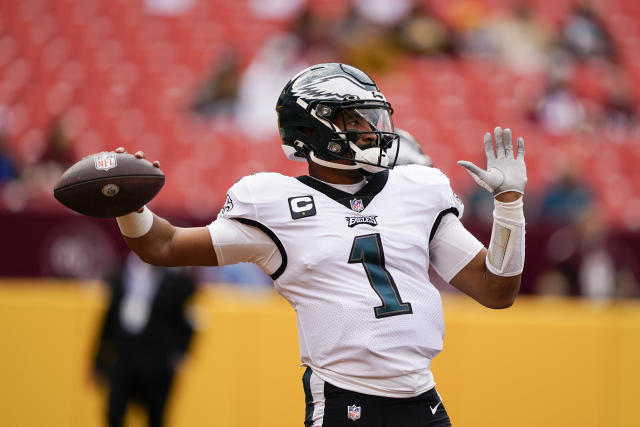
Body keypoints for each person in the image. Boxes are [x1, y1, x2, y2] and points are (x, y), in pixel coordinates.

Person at [112, 63, 527, 426]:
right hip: (346, 401)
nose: (373, 130)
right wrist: (130, 205)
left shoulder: (417, 188)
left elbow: (496, 290)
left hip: (424, 401)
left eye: (372, 118)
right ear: (316, 129)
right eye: (356, 120)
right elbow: (162, 246)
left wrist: (509, 206)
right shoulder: (272, 204)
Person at [93, 252, 197, 427]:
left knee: (155, 417)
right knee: (114, 413)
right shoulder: (123, 275)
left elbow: (188, 320)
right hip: (125, 359)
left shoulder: (178, 281)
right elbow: (109, 318)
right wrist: (97, 359)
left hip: (158, 365)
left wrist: (180, 353)